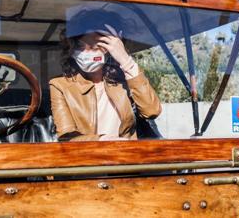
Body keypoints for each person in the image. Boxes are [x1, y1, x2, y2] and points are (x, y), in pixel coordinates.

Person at [49, 8, 161, 141]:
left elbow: (151, 111)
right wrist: (102, 141)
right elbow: (66, 137)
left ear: (110, 48)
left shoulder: (127, 79)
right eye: (80, 46)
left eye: (95, 46)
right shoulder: (59, 85)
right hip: (88, 158)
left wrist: (125, 59)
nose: (86, 52)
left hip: (128, 156)